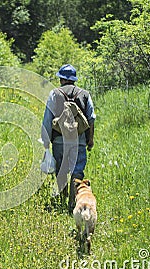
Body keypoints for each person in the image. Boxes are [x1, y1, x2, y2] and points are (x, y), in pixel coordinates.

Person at [41, 64, 96, 212]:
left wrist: (46, 141)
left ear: (61, 79)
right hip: (79, 140)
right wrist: (90, 140)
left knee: (61, 170)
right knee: (77, 170)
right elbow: (91, 119)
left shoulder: (55, 94)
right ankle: (73, 201)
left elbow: (47, 119)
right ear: (73, 80)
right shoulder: (84, 94)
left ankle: (62, 199)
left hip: (59, 140)